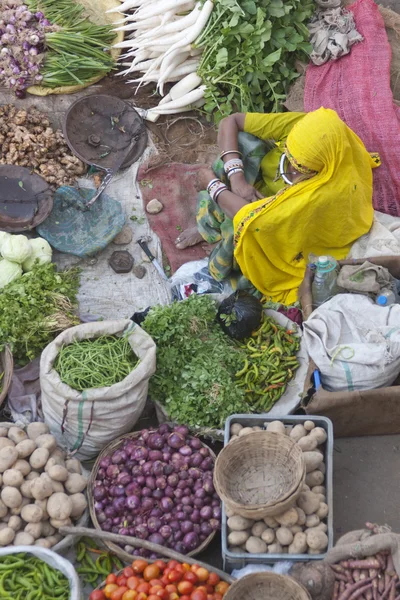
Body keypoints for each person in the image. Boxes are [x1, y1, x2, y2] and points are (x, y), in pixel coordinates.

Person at [175, 108, 380, 304]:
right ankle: (209, 227)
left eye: (300, 168)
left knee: (243, 231)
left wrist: (212, 184)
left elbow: (255, 219)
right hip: (264, 197)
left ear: (322, 170)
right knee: (241, 145)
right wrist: (236, 177)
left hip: (288, 221)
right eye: (287, 156)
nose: (289, 169)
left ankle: (220, 257)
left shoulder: (327, 193)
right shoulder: (306, 129)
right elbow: (232, 121)